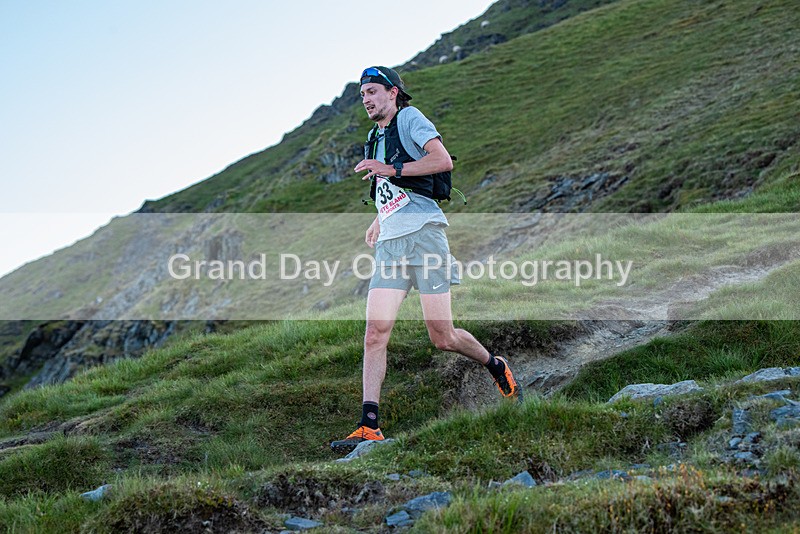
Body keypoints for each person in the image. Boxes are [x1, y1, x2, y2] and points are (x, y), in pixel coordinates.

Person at [330, 66, 521, 454]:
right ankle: (369, 426)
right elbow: (390, 190)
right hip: (391, 246)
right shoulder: (374, 138)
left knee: (442, 337)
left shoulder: (410, 119)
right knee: (375, 332)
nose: (366, 99)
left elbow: (442, 160)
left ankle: (495, 365)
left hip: (425, 238)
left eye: (372, 91)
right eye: (362, 94)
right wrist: (379, 220)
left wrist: (390, 169)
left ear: (393, 92)